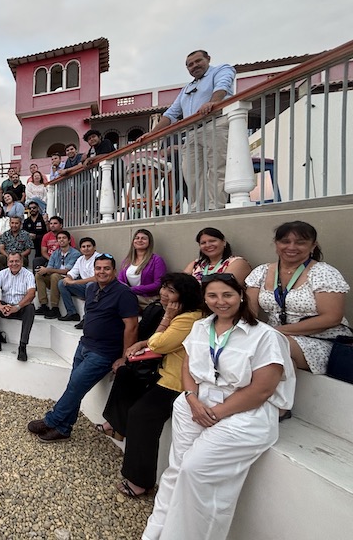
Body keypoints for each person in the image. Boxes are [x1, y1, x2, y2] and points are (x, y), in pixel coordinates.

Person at [143, 274, 295, 540]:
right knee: (176, 470)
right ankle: (154, 533)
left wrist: (216, 412)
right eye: (212, 295)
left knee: (194, 470)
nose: (220, 301)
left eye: (227, 295)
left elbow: (262, 389)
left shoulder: (265, 336)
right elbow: (188, 365)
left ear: (241, 296)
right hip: (196, 403)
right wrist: (191, 398)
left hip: (243, 411)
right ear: (204, 298)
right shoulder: (201, 327)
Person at [97, 273, 203, 498]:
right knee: (126, 374)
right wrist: (143, 343)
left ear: (184, 297)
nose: (164, 293)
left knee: (141, 416)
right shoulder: (182, 315)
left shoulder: (187, 319)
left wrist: (167, 317)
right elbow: (156, 342)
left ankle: (140, 481)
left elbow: (159, 343)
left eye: (171, 291)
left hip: (176, 382)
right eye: (164, 287)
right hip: (163, 372)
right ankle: (117, 426)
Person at [27, 254, 139, 442]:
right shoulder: (92, 287)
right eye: (98, 268)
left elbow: (132, 326)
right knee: (75, 387)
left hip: (104, 352)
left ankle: (52, 420)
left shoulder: (124, 293)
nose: (102, 272)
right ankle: (63, 429)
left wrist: (124, 357)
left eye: (106, 268)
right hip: (85, 345)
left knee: (75, 386)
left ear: (114, 270)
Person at [246, 221, 350, 375]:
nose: (292, 247)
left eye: (300, 243)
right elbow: (249, 311)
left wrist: (275, 332)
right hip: (277, 339)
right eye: (285, 241)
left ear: (313, 246)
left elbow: (332, 318)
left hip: (323, 341)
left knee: (272, 346)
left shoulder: (323, 273)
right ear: (276, 243)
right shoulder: (261, 272)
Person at [147, 49, 236, 212]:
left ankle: (215, 206)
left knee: (217, 167)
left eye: (198, 61)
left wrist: (213, 103)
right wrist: (152, 134)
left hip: (214, 124)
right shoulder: (187, 88)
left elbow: (222, 87)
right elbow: (172, 113)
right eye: (190, 65)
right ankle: (197, 208)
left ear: (208, 59)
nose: (194, 66)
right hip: (192, 132)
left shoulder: (221, 70)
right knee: (191, 172)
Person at [0, 252, 36, 361]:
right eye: (11, 261)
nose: (14, 264)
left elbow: (31, 294)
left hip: (20, 308)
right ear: (7, 263)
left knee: (30, 308)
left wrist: (17, 307)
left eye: (17, 261)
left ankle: (22, 346)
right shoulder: (2, 273)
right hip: (5, 307)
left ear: (21, 262)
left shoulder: (28, 274)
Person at [34, 230, 80, 319]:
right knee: (39, 275)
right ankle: (43, 305)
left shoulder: (75, 253)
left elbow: (67, 271)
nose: (61, 240)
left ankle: (55, 308)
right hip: (54, 279)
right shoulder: (55, 253)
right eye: (59, 238)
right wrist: (43, 270)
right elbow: (50, 267)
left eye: (64, 238)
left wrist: (48, 270)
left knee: (54, 276)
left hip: (68, 279)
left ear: (69, 240)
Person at [117, 229, 167, 309]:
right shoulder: (127, 261)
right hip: (130, 295)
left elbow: (158, 284)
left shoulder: (157, 260)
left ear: (149, 242)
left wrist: (132, 289)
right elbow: (120, 280)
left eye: (143, 238)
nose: (139, 240)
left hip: (148, 299)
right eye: (137, 238)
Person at [184, 227, 251, 283]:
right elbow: (180, 285)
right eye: (203, 243)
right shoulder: (195, 264)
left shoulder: (237, 262)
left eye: (212, 241)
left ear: (224, 242)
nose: (208, 245)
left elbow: (224, 288)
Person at [58, 237, 98, 325]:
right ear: (80, 249)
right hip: (84, 287)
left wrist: (74, 282)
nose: (86, 248)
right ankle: (72, 313)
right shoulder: (81, 259)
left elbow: (96, 278)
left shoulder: (99, 258)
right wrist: (68, 278)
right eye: (83, 247)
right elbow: (72, 272)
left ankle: (87, 318)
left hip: (97, 289)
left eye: (89, 246)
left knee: (90, 285)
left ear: (94, 247)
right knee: (62, 283)